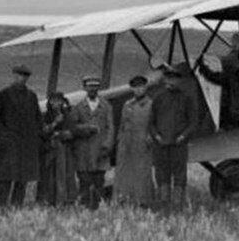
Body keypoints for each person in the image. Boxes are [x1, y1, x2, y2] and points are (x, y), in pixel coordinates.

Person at [0, 65, 43, 207]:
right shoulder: (4, 94)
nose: (22, 78)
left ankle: (16, 207)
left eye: (25, 76)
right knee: (5, 177)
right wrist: (3, 135)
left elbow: (37, 118)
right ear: (14, 75)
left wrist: (34, 137)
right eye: (19, 75)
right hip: (8, 143)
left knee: (22, 178)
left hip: (26, 144)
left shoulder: (31, 96)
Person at [149, 66, 197, 211]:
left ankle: (177, 204)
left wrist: (183, 136)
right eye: (169, 78)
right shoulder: (158, 97)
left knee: (180, 173)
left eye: (174, 79)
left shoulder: (186, 98)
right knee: (161, 173)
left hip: (178, 144)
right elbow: (151, 122)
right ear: (165, 80)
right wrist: (156, 136)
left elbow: (193, 122)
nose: (171, 82)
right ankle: (163, 203)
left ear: (179, 81)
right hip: (161, 144)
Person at [72, 75, 115, 209]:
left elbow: (110, 127)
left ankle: (98, 207)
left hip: (100, 150)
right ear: (84, 88)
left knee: (99, 181)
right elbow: (72, 126)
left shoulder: (106, 106)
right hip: (83, 151)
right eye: (90, 86)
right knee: (84, 181)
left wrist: (107, 146)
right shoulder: (78, 106)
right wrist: (86, 128)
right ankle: (84, 207)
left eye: (95, 87)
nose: (92, 89)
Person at [114, 74, 155, 207]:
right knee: (124, 171)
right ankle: (124, 199)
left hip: (142, 141)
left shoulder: (151, 104)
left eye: (141, 87)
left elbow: (154, 123)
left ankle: (143, 200)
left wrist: (151, 136)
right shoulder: (127, 104)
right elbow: (122, 124)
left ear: (145, 88)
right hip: (126, 142)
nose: (138, 90)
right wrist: (120, 141)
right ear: (132, 89)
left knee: (142, 171)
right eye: (135, 87)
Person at [37, 92, 77, 206]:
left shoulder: (68, 115)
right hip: (49, 150)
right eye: (53, 101)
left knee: (64, 175)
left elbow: (73, 132)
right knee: (48, 177)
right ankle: (47, 200)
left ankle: (64, 200)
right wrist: (54, 123)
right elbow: (42, 132)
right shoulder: (45, 116)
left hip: (64, 150)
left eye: (58, 101)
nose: (56, 103)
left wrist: (61, 134)